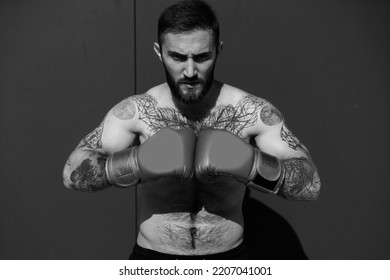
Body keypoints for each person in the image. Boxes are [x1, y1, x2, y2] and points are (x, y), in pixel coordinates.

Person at [62, 0, 321, 260]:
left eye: (201, 57)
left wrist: (251, 164)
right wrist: (136, 162)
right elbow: (72, 173)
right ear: (159, 52)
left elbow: (311, 185)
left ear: (218, 50)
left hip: (228, 261)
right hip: (154, 261)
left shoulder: (251, 112)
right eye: (176, 57)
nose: (189, 71)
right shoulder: (138, 111)